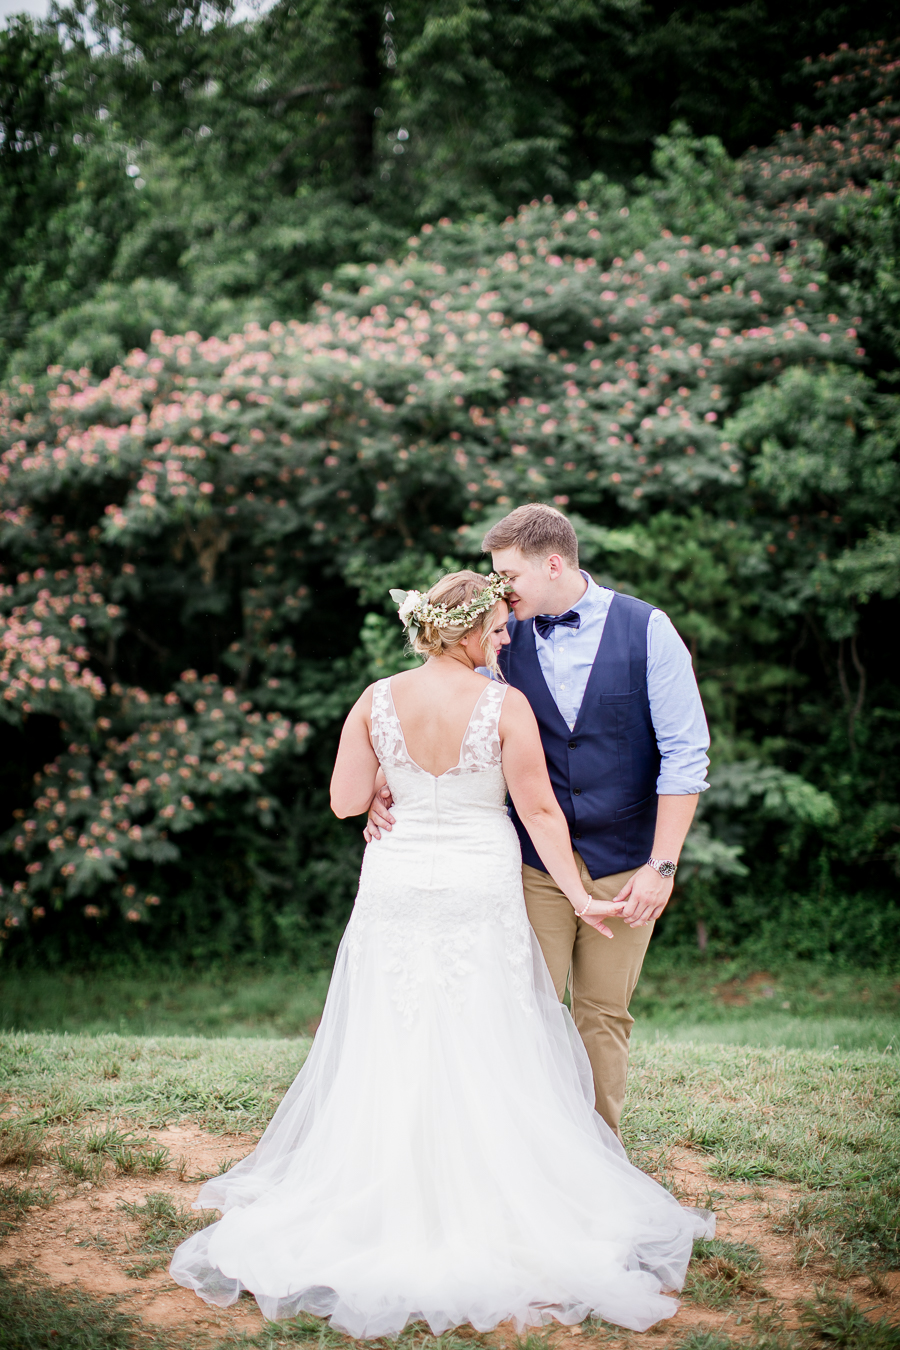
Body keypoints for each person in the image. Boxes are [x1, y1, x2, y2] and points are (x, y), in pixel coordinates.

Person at [170, 570, 713, 1338]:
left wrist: (388, 791)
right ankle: (500, 1195)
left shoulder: (374, 698)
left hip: (396, 883)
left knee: (393, 1028)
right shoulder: (504, 705)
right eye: (495, 630)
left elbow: (343, 801)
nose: (505, 641)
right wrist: (582, 895)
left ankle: (380, 1189)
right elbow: (537, 810)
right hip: (476, 886)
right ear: (462, 632)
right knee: (486, 1027)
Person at [368, 505, 710, 1140]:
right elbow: (438, 712)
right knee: (522, 1010)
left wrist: (662, 866)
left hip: (628, 863)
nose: (498, 588)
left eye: (506, 573)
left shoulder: (648, 630)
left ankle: (600, 1156)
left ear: (553, 564)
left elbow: (686, 755)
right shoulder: (495, 635)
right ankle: (524, 1155)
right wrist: (389, 780)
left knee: (604, 1014)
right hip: (527, 862)